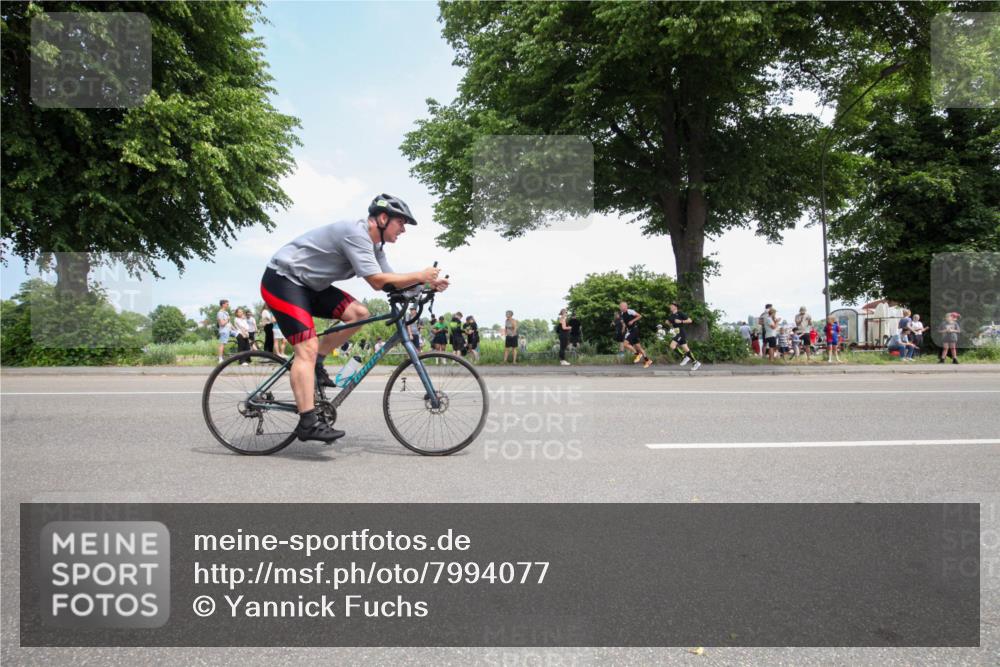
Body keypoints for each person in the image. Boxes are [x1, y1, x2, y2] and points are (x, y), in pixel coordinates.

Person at [260, 193, 447, 442]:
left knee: (359, 314)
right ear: (382, 218)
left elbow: (391, 281)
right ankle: (307, 422)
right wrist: (420, 274)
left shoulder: (375, 245)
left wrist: (426, 287)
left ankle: (316, 363)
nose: (403, 229)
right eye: (401, 222)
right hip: (283, 280)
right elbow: (377, 282)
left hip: (310, 286)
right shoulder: (356, 234)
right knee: (306, 346)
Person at [664, 303, 702, 371]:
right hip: (676, 332)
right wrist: (668, 322)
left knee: (672, 346)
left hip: (680, 332)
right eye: (670, 306)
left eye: (672, 306)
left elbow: (690, 320)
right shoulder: (671, 315)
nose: (670, 307)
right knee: (686, 349)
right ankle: (696, 362)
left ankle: (684, 356)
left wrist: (681, 321)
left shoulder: (680, 313)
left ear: (675, 307)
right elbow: (671, 323)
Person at [619, 302, 652, 368]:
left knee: (625, 344)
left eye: (622, 306)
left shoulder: (630, 311)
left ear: (626, 306)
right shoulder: (622, 314)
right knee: (639, 347)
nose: (621, 307)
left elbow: (639, 316)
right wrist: (624, 327)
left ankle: (637, 354)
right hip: (630, 330)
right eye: (620, 306)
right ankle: (648, 360)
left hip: (634, 330)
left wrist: (632, 321)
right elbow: (626, 323)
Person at [216, 299, 231, 363]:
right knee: (222, 344)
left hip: (228, 329)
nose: (228, 305)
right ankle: (220, 359)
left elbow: (229, 323)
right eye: (227, 304)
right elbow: (222, 324)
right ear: (223, 304)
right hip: (224, 331)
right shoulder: (220, 313)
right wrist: (227, 319)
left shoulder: (226, 312)